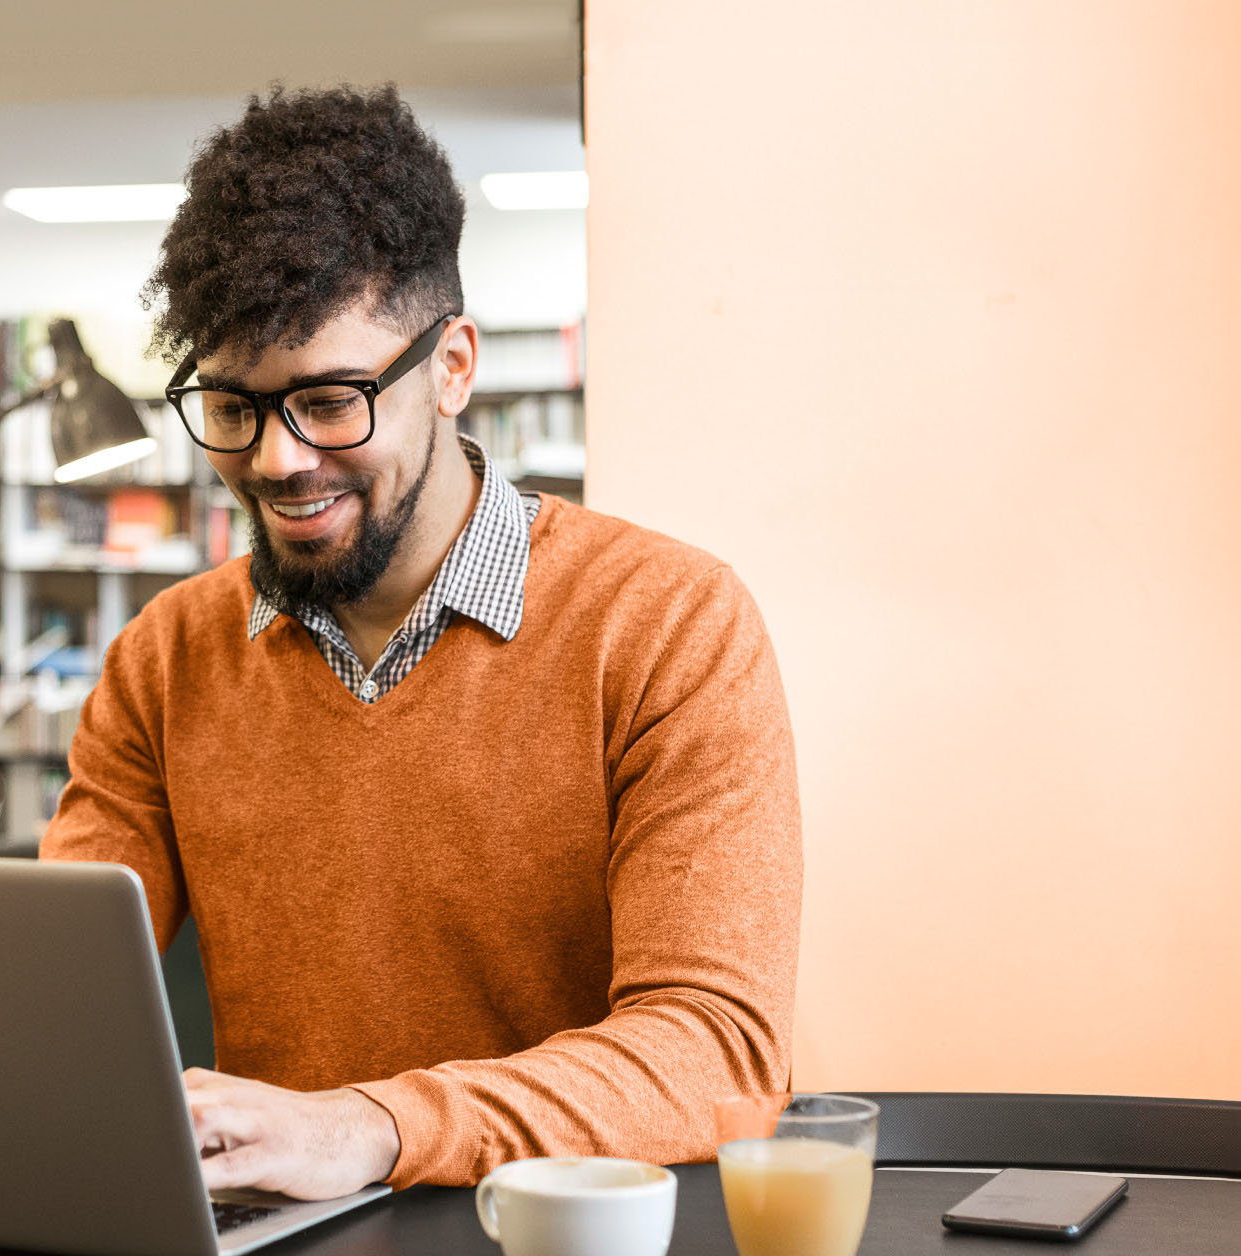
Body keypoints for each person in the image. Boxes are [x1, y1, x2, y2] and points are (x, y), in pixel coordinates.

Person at [40, 84, 802, 1200]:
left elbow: (717, 1049)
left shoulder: (667, 621)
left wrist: (372, 1125)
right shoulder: (165, 660)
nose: (279, 459)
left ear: (450, 366)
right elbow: (59, 999)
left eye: (334, 399)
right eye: (236, 406)